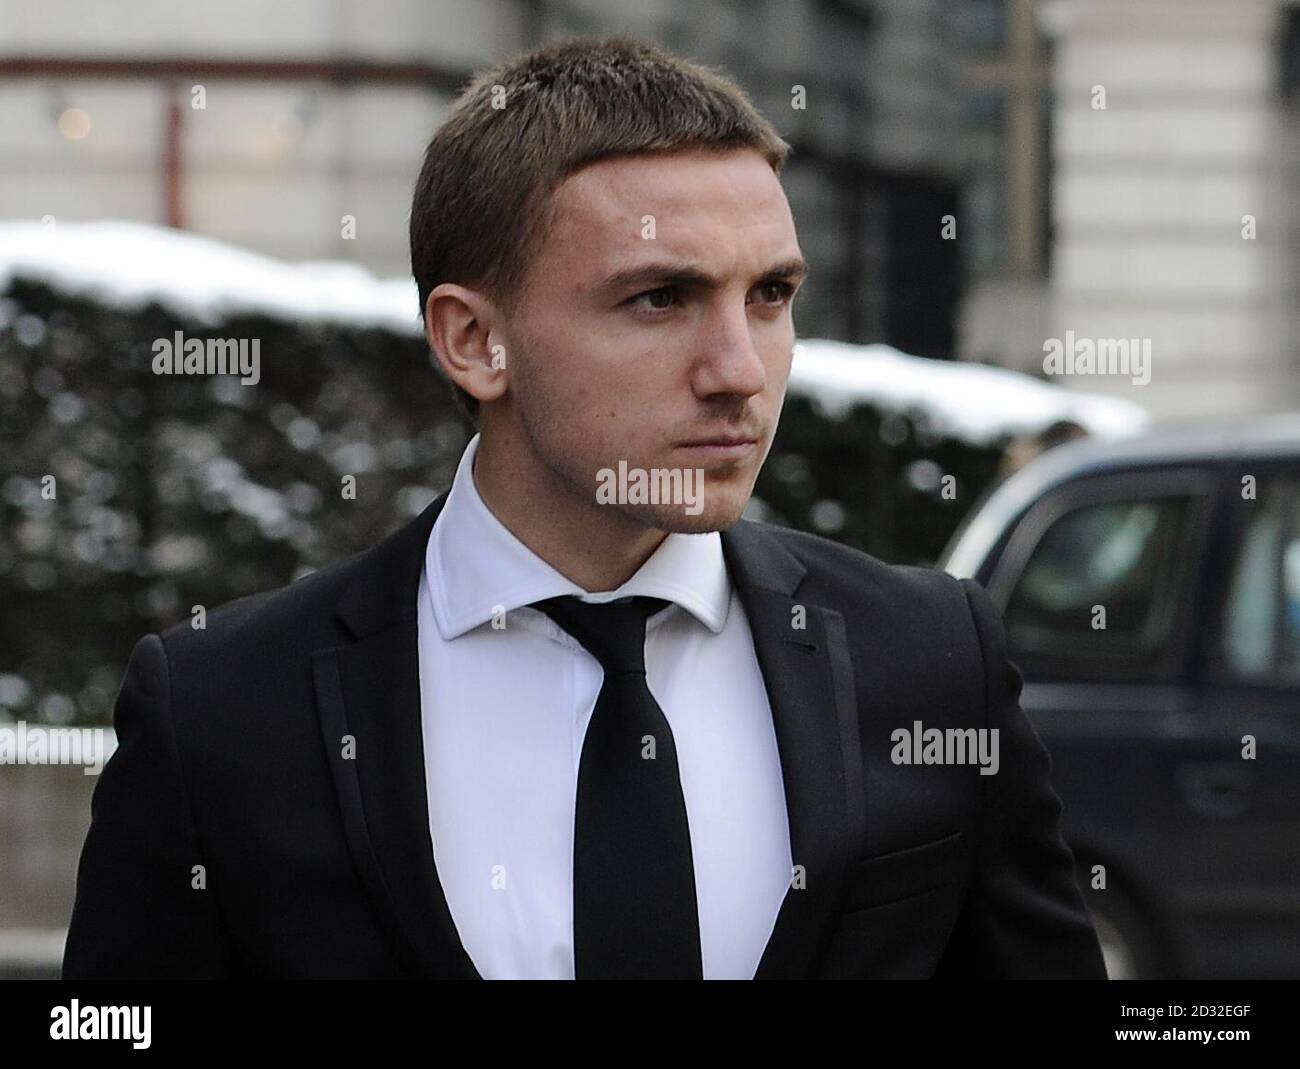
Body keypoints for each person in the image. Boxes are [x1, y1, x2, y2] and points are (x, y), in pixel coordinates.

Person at [63, 36, 1106, 980]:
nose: (740, 369)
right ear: (475, 342)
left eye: (771, 296)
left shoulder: (928, 659)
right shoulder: (224, 712)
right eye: (659, 298)